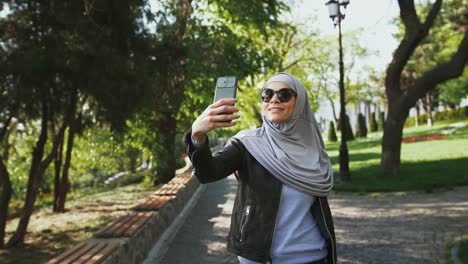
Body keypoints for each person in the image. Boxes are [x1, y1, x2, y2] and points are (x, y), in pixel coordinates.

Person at [184, 72, 336, 264]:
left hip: (312, 256)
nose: (274, 99)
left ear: (299, 102)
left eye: (284, 94)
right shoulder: (248, 144)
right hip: (259, 258)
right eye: (267, 94)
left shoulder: (312, 148)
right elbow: (208, 173)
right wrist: (197, 135)